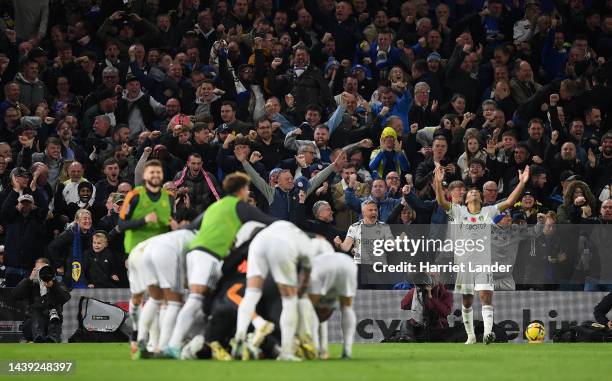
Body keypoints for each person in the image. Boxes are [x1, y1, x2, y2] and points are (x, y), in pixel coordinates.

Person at [165, 173, 275, 358]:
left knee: (205, 301)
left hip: (194, 252)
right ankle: (173, 344)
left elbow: (192, 226)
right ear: (241, 190)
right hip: (208, 254)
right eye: (247, 188)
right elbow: (269, 222)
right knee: (196, 300)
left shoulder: (216, 205)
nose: (247, 192)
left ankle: (197, 341)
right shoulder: (239, 205)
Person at [433, 163, 530, 345]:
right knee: (467, 300)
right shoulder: (459, 211)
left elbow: (509, 201)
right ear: (466, 199)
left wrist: (522, 183)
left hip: (484, 264)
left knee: (486, 295)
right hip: (464, 265)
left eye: (477, 192)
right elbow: (441, 202)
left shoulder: (488, 212)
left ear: (481, 198)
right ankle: (470, 336)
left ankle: (487, 333)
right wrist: (438, 182)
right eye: (471, 193)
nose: (474, 193)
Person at [232, 221, 325, 361]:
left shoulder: (293, 231)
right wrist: (300, 291)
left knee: (251, 293)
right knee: (290, 300)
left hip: (259, 241)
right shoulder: (308, 246)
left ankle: (239, 337)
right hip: (282, 245)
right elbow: (306, 278)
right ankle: (286, 353)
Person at [118, 159, 173, 354]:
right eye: (152, 172)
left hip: (159, 252)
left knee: (157, 296)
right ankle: (137, 335)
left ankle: (151, 342)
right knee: (141, 296)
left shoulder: (168, 198)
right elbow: (121, 225)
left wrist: (172, 226)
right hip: (137, 251)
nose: (155, 176)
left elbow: (166, 225)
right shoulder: (134, 196)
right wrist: (143, 220)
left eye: (158, 172)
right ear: (145, 175)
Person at [308, 251, 357, 359]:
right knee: (347, 307)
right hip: (347, 263)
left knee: (309, 307)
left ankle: (314, 350)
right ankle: (347, 351)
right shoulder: (330, 301)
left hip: (322, 267)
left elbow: (314, 311)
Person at [11, 258, 71, 343]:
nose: (41, 272)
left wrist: (52, 286)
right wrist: (29, 280)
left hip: (52, 325)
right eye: (38, 270)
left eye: (44, 269)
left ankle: (52, 338)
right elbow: (15, 295)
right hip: (32, 325)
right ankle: (38, 337)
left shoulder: (56, 283)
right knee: (36, 310)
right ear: (34, 270)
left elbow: (65, 298)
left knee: (54, 311)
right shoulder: (30, 284)